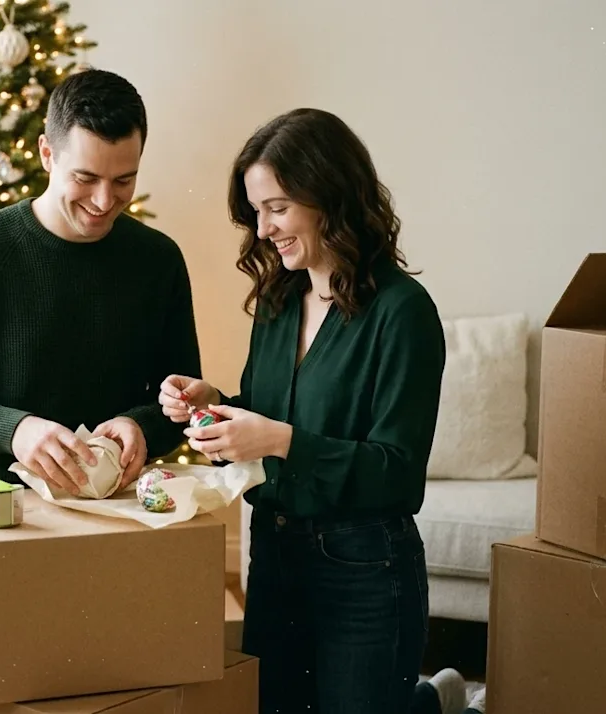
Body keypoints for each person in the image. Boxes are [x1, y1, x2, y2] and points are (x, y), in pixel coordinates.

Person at [159, 107, 456, 714]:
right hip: (272, 554)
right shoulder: (278, 300)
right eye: (257, 212)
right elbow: (269, 416)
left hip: (364, 568)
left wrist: (280, 442)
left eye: (278, 208)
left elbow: (398, 471)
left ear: (329, 197)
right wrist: (214, 405)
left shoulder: (402, 313)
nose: (264, 229)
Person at [0, 69, 201, 495]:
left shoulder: (159, 260)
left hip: (115, 512)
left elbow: (184, 400)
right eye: (85, 178)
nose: (104, 201)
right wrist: (15, 429)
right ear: (46, 154)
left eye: (124, 180)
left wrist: (142, 426)